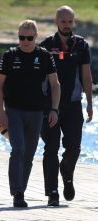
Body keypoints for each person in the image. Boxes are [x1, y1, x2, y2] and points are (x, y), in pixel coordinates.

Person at [0, 20, 60, 208]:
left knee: (29, 154)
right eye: (21, 37)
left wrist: (54, 109)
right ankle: (18, 192)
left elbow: (55, 84)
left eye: (29, 38)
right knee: (18, 149)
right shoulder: (9, 56)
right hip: (14, 110)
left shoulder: (45, 56)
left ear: (35, 37)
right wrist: (1, 111)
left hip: (36, 112)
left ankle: (21, 188)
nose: (25, 41)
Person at [40, 5, 93, 206]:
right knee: (50, 148)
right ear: (56, 22)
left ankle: (67, 172)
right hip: (49, 105)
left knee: (74, 147)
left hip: (72, 104)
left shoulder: (81, 45)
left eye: (70, 21)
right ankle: (52, 192)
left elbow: (86, 76)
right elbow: (39, 78)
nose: (67, 25)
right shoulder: (45, 46)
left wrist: (89, 102)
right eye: (63, 21)